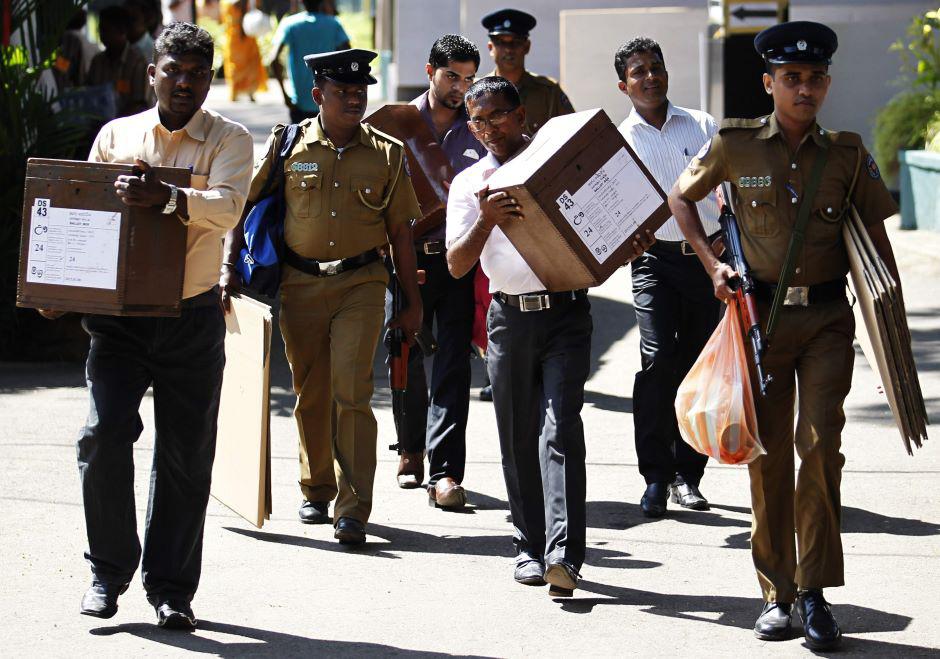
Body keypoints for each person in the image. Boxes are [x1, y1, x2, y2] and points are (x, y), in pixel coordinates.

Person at [668, 21, 901, 650]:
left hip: (827, 320)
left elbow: (878, 241)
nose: (805, 89)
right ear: (769, 83)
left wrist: (891, 320)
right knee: (767, 458)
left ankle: (816, 593)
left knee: (821, 448)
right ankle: (777, 593)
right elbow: (680, 199)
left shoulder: (847, 155)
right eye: (792, 79)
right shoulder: (734, 145)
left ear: (827, 83)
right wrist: (712, 263)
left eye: (815, 78)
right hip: (762, 323)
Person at [50, 22, 252, 629]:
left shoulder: (229, 140)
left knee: (186, 457)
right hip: (120, 321)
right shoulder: (116, 136)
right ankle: (107, 572)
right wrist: (61, 285)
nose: (184, 83)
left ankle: (170, 590)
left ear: (209, 80)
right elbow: (84, 215)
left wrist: (164, 197)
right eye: (174, 71)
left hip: (191, 316)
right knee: (102, 435)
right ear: (152, 74)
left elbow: (226, 208)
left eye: (196, 74)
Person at [446, 76, 653, 597]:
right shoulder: (471, 184)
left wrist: (626, 243)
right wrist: (487, 220)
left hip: (565, 315)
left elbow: (600, 230)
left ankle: (565, 555)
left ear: (521, 117)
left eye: (498, 116)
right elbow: (455, 264)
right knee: (517, 436)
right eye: (478, 120)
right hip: (508, 320)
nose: (489, 128)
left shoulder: (553, 163)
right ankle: (528, 547)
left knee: (561, 429)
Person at [221, 49, 423, 545]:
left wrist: (413, 301)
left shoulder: (389, 153)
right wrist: (228, 267)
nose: (354, 100)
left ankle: (353, 508)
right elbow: (243, 207)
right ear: (318, 96)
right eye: (342, 93)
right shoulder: (288, 144)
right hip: (299, 283)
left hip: (362, 282)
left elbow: (400, 232)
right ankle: (316, 487)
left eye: (360, 92)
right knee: (310, 389)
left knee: (351, 390)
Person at [614, 37, 721, 518]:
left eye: (656, 67)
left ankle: (688, 475)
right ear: (624, 84)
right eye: (639, 71)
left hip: (706, 261)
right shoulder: (620, 141)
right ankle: (655, 477)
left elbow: (729, 191)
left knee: (699, 365)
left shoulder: (701, 125)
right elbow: (611, 209)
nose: (650, 77)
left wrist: (725, 248)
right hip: (654, 262)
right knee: (657, 362)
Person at [392, 35, 487, 508]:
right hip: (406, 257)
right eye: (453, 76)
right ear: (429, 71)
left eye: (469, 78)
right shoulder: (398, 124)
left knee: (452, 362)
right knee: (404, 352)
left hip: (460, 260)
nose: (461, 88)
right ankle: (410, 448)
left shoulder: (480, 125)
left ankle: (446, 470)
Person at [481, 8, 574, 136]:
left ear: (527, 47)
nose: (508, 49)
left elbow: (573, 133)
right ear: (491, 48)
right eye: (501, 43)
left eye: (516, 42)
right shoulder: (478, 94)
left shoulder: (549, 92)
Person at [269, 0, 350, 124]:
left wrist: (285, 96)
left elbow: (273, 59)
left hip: (299, 103)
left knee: (299, 141)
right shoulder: (333, 24)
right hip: (329, 99)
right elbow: (349, 57)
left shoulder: (290, 24)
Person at [87, 5, 153, 117]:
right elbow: (89, 94)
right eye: (100, 30)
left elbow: (140, 105)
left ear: (122, 31)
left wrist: (114, 123)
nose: (101, 35)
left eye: (105, 30)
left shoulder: (137, 62)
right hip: (98, 125)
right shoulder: (97, 61)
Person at [221, 0, 269, 102]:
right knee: (235, 65)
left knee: (252, 64)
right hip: (235, 38)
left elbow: (257, 8)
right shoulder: (228, 2)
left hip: (248, 36)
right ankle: (234, 92)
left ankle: (251, 92)